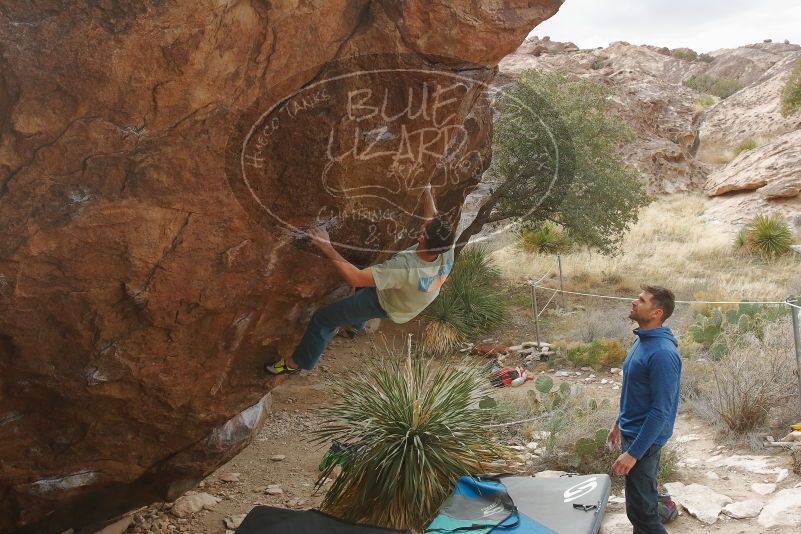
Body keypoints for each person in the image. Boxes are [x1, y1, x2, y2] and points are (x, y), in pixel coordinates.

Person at [265, 185, 454, 375]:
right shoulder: (445, 247)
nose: (423, 226)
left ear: (423, 238)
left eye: (423, 230)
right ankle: (356, 325)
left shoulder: (404, 268)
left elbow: (355, 278)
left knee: (323, 319)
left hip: (387, 303)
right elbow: (433, 217)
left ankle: (295, 363)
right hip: (410, 300)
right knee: (370, 283)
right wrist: (427, 190)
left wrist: (327, 246)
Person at [607, 286, 681, 534]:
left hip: (644, 440)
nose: (634, 302)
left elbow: (661, 410)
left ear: (657, 312)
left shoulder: (662, 353)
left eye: (642, 300)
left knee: (643, 514)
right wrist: (618, 422)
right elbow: (635, 390)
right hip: (633, 431)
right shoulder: (643, 340)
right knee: (641, 507)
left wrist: (633, 453)